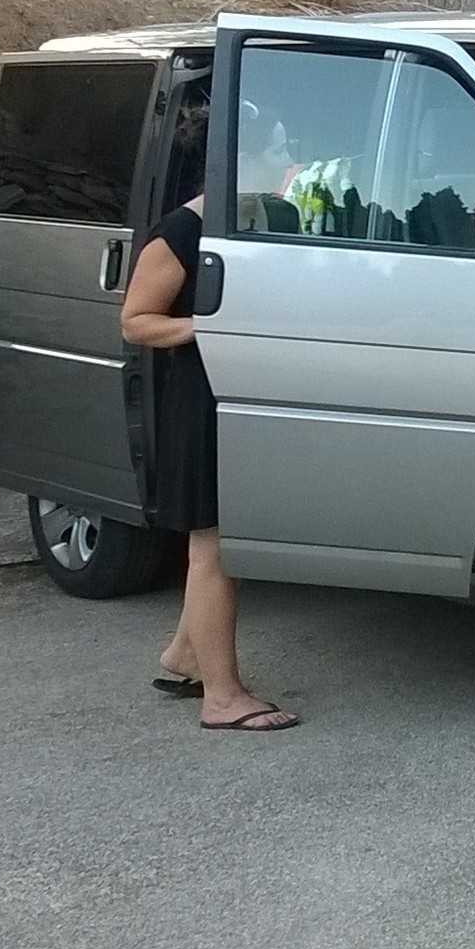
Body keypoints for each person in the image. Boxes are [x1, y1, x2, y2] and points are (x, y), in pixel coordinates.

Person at [121, 103, 299, 733]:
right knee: (214, 548)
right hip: (201, 400)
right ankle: (222, 698)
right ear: (235, 159)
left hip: (247, 392)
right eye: (275, 148)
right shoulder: (179, 232)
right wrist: (208, 325)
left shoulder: (271, 217)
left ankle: (184, 656)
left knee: (225, 540)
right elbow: (136, 321)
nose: (286, 159)